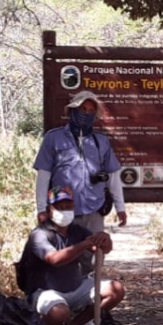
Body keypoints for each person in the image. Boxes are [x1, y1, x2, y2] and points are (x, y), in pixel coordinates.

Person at [16, 186, 125, 325]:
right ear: (49, 210)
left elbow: (102, 248)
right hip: (45, 290)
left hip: (76, 286)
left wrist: (104, 239)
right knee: (58, 313)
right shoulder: (39, 235)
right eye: (60, 207)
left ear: (73, 208)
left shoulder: (77, 230)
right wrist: (84, 245)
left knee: (116, 290)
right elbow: (54, 259)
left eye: (68, 207)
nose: (64, 211)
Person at [34, 90, 127, 234]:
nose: (86, 113)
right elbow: (43, 175)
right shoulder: (53, 138)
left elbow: (113, 176)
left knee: (94, 251)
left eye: (91, 111)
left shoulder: (101, 141)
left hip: (94, 209)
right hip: (62, 210)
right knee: (65, 253)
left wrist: (120, 208)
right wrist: (41, 209)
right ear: (72, 111)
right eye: (83, 109)